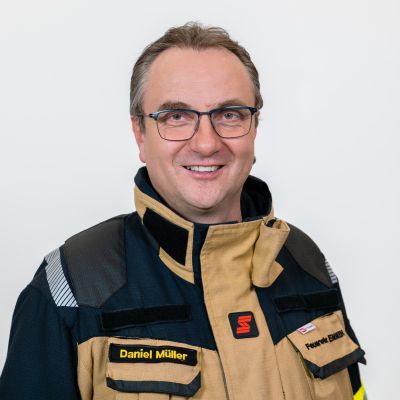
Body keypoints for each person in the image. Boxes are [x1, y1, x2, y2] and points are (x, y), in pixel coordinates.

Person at [0, 22, 366, 400]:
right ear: (140, 134)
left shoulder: (307, 264)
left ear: (254, 126)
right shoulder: (74, 284)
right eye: (176, 116)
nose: (206, 144)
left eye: (229, 114)